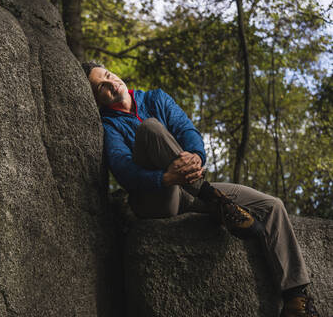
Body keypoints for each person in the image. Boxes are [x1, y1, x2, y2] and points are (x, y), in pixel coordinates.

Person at [81, 61, 320, 317]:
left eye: (108, 76)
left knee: (271, 206)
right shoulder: (109, 124)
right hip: (157, 197)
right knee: (151, 128)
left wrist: (196, 154)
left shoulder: (155, 98)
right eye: (102, 87)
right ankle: (215, 199)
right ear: (98, 100)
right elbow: (123, 168)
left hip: (190, 191)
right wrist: (164, 177)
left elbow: (186, 129)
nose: (111, 83)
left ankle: (296, 299)